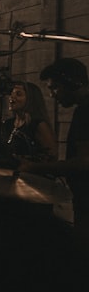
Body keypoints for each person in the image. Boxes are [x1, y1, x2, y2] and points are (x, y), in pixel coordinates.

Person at [19, 57, 89, 244]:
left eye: (55, 87)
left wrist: (34, 168)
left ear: (73, 83)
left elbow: (84, 162)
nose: (52, 95)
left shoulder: (84, 111)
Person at [1, 80, 57, 162]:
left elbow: (52, 155)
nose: (11, 97)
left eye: (18, 94)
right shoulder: (8, 124)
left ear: (31, 99)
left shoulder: (38, 124)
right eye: (11, 94)